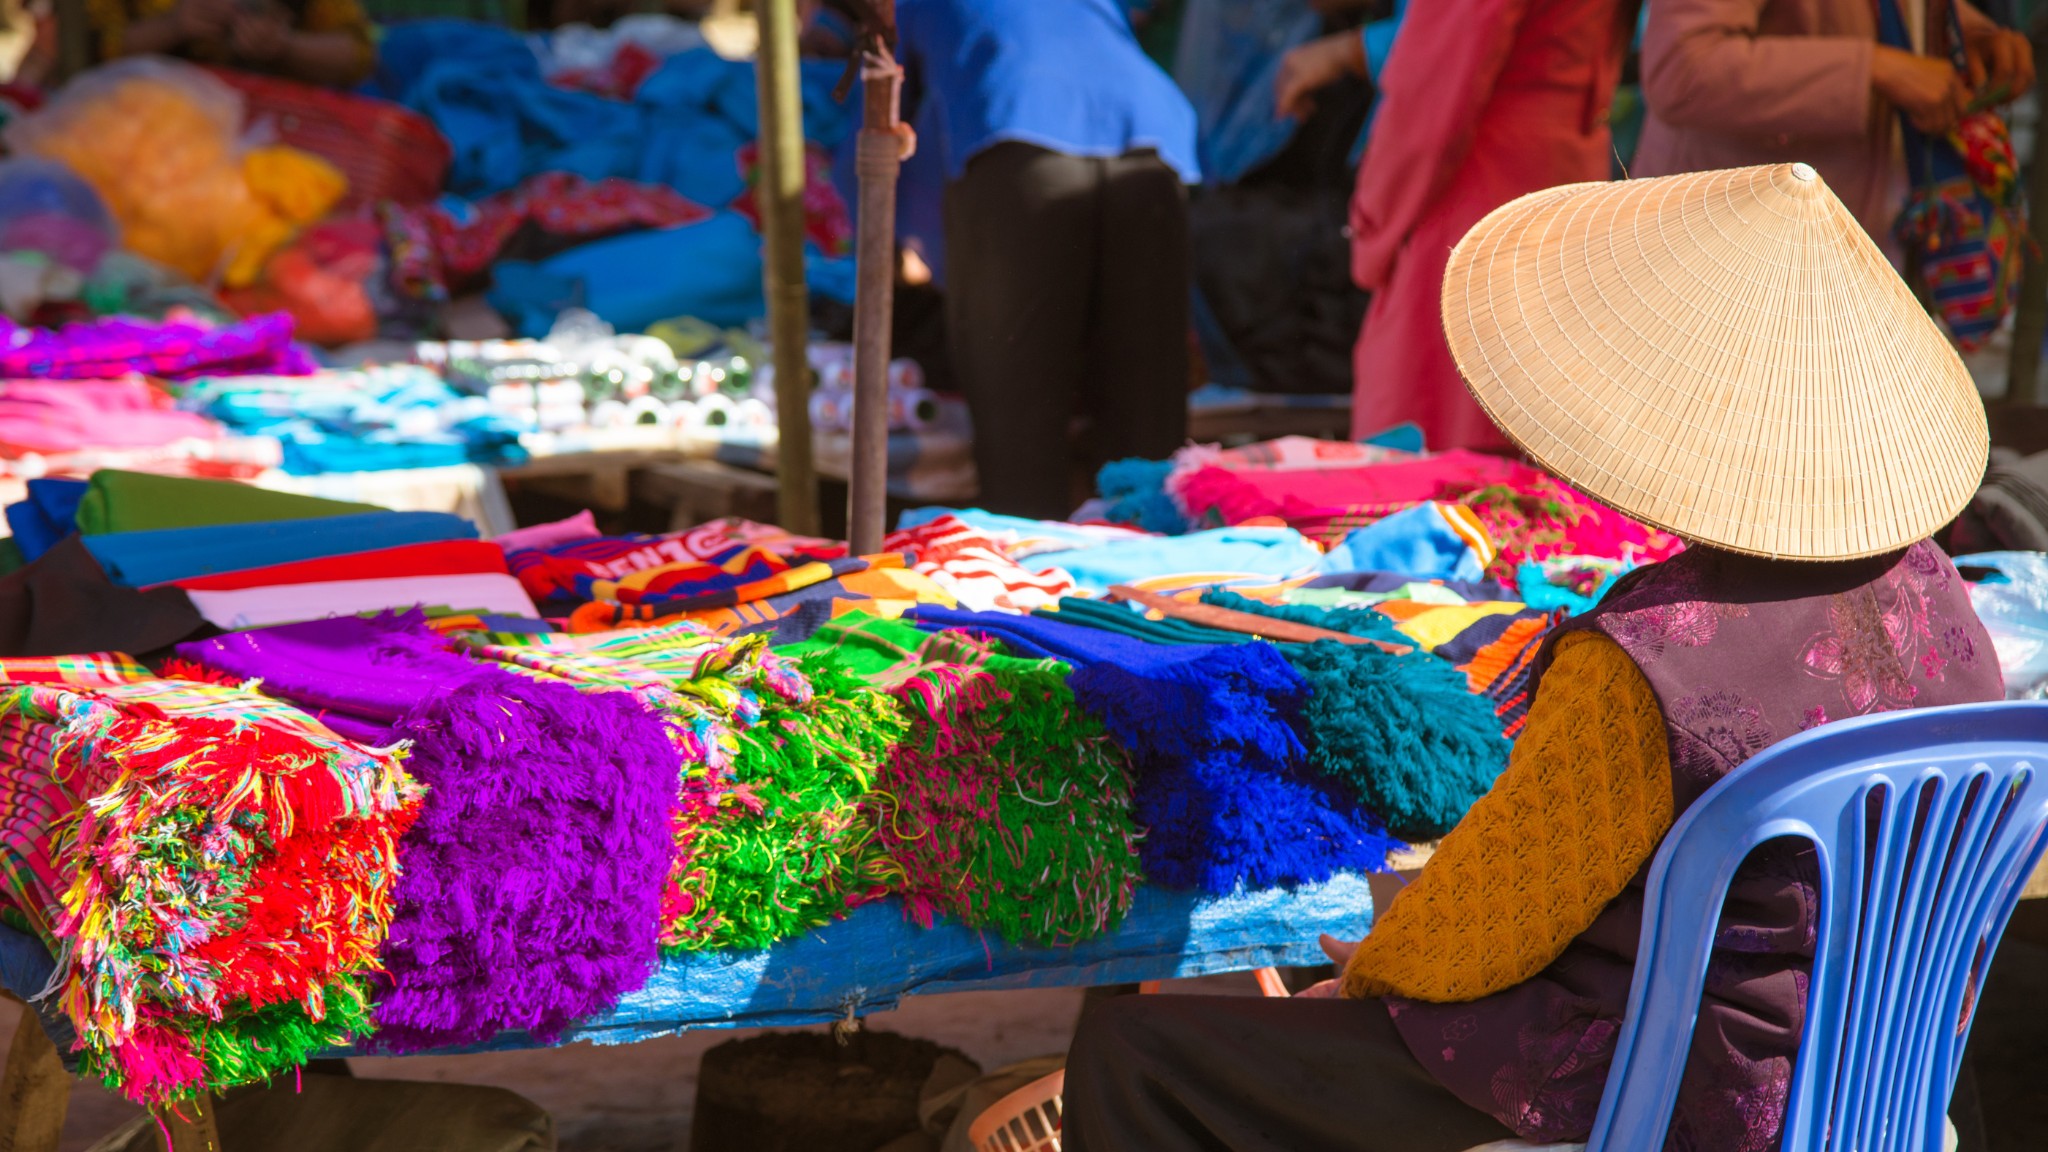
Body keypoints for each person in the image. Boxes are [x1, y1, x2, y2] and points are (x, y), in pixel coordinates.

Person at [1062, 162, 2004, 1152]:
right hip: (1878, 1092)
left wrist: (1362, 974)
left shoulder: (1646, 661)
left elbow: (1478, 936)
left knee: (1137, 1052)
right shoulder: (1935, 596)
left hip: (1659, 1098)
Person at [888, 0, 1201, 521]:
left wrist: (898, 245)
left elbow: (875, 117)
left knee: (1019, 423)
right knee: (1147, 420)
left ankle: (1032, 584)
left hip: (1022, 137)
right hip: (1152, 142)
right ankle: (1161, 582)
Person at [1302, 0, 1634, 453]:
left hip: (1474, 191)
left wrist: (1373, 224)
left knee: (1436, 444)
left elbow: (1431, 91)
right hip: (1563, 175)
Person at [1634, 0, 2033, 249]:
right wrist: (1875, 68)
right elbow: (1683, 66)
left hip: (1855, 231)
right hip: (1727, 245)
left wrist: (1962, 33)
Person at [91, 0, 375, 88]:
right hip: (139, 121)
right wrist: (171, 27)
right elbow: (82, 54)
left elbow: (356, 54)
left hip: (279, 131)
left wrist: (285, 47)